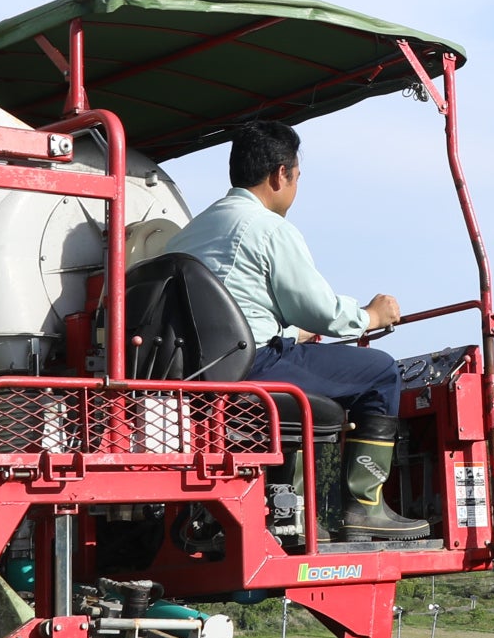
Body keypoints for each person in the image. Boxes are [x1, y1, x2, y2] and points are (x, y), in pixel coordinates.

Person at [164, 117, 431, 540]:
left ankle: (288, 512)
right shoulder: (268, 228)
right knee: (380, 370)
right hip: (254, 368)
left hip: (197, 378)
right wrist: (372, 315)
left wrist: (292, 333)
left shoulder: (190, 232)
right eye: (297, 176)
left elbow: (230, 310)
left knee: (305, 362)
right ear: (280, 174)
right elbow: (320, 311)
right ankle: (365, 509)